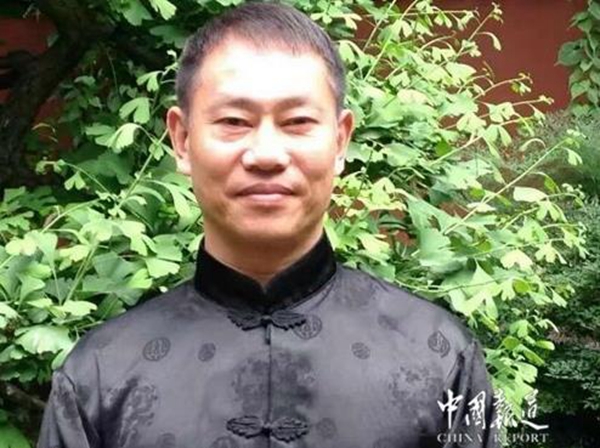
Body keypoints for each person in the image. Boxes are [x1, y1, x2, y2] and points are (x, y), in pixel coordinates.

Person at [37, 2, 499, 447]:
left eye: (296, 122)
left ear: (340, 142)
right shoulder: (102, 374)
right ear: (182, 139)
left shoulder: (439, 357)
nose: (266, 155)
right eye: (234, 121)